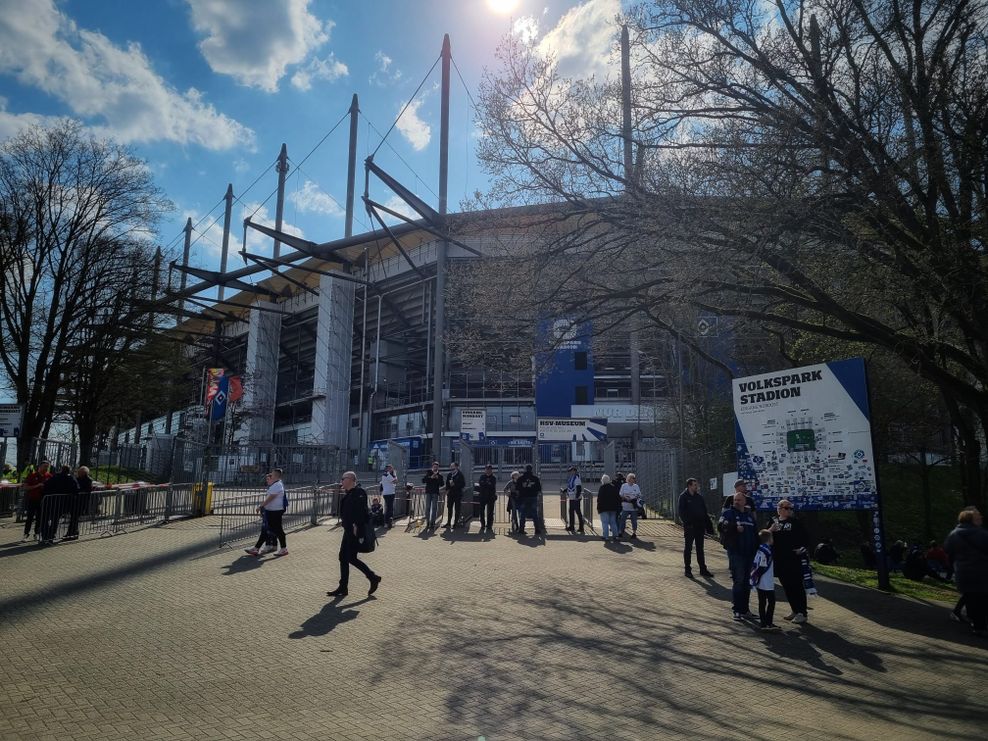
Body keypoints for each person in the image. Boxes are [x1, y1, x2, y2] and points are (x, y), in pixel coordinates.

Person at [328, 471, 381, 598]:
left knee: (348, 557)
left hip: (354, 531)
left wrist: (356, 526)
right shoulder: (349, 493)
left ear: (351, 480)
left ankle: (371, 577)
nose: (341, 481)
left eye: (343, 479)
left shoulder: (359, 492)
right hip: (348, 531)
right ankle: (345, 586)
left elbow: (361, 512)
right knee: (344, 557)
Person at [944, 507, 988, 636]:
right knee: (981, 600)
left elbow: (947, 549)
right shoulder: (980, 533)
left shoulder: (954, 533)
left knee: (972, 598)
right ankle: (979, 627)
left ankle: (976, 624)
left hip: (963, 573)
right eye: (978, 516)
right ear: (971, 519)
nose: (981, 517)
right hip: (981, 572)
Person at [767, 499, 810, 624]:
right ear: (779, 508)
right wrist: (770, 530)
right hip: (779, 560)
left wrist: (801, 549)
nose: (790, 510)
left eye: (791, 508)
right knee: (787, 586)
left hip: (794, 560)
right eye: (787, 508)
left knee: (797, 586)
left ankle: (802, 612)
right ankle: (795, 610)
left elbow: (806, 539)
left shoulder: (795, 522)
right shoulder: (773, 521)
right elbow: (764, 536)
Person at [719, 491, 758, 621]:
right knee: (739, 581)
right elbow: (721, 526)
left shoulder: (749, 516)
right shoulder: (728, 513)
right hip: (736, 553)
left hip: (750, 554)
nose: (736, 502)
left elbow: (754, 534)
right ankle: (737, 610)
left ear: (745, 502)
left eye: (739, 500)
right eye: (735, 500)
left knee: (747, 583)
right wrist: (734, 527)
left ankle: (745, 610)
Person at [245, 469, 288, 557]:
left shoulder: (277, 485)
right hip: (272, 511)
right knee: (271, 530)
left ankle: (258, 548)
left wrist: (261, 506)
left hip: (275, 511)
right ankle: (259, 548)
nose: (270, 476)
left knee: (274, 530)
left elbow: (271, 498)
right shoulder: (276, 484)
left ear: (276, 476)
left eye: (271, 475)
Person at [678, 477, 714, 577]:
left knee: (700, 548)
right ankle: (688, 570)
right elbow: (681, 512)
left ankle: (703, 569)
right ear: (689, 486)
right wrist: (688, 523)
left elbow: (704, 512)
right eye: (695, 485)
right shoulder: (683, 497)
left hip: (700, 527)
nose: (697, 486)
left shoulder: (699, 497)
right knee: (688, 548)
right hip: (690, 527)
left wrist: (708, 525)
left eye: (696, 485)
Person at [751, 529, 782, 632]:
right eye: (772, 537)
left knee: (762, 602)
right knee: (771, 601)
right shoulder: (767, 550)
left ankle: (763, 623)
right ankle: (768, 622)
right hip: (766, 582)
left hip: (760, 581)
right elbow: (762, 565)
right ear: (769, 539)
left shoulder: (760, 549)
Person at [40, 465, 79, 544]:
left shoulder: (55, 477)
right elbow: (76, 489)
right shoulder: (71, 478)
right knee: (55, 519)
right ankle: (51, 535)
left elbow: (46, 485)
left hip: (50, 501)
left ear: (61, 470)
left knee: (45, 519)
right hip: (63, 503)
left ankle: (45, 535)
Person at [21, 460, 51, 541]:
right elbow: (25, 487)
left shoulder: (49, 476)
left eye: (47, 467)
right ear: (40, 467)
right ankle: (26, 534)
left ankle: (37, 533)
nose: (46, 468)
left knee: (39, 518)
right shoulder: (32, 475)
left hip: (43, 500)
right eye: (45, 466)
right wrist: (37, 485)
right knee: (30, 517)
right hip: (33, 499)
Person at [63, 465, 93, 541]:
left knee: (74, 518)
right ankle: (73, 533)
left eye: (80, 472)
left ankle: (71, 533)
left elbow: (87, 490)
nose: (78, 473)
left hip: (81, 502)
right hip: (75, 501)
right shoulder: (77, 479)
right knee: (74, 518)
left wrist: (78, 492)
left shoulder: (88, 480)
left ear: (84, 473)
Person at [515, 464, 543, 536]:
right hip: (533, 497)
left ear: (525, 469)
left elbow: (517, 489)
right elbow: (539, 489)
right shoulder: (535, 478)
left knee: (523, 514)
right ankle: (537, 529)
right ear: (531, 469)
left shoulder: (521, 478)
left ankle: (521, 529)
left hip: (523, 497)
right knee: (534, 513)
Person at [596, 474, 621, 542]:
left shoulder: (602, 488)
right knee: (613, 522)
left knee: (605, 523)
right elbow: (617, 498)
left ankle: (606, 536)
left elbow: (599, 499)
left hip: (604, 509)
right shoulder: (613, 487)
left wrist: (598, 508)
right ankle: (615, 536)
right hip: (613, 508)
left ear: (602, 481)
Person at [444, 461, 466, 529]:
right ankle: (448, 522)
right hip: (450, 495)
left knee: (457, 509)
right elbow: (447, 484)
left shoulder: (460, 475)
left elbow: (463, 484)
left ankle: (455, 523)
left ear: (456, 467)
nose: (451, 469)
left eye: (453, 468)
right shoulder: (449, 475)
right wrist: (447, 490)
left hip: (457, 494)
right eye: (451, 468)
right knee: (449, 508)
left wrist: (455, 485)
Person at [618, 473, 641, 538]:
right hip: (625, 506)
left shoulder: (636, 486)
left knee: (634, 520)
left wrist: (635, 497)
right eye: (632, 478)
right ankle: (620, 532)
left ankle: (634, 533)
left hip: (633, 507)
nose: (634, 479)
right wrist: (625, 497)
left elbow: (639, 494)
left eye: (634, 478)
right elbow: (620, 494)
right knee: (622, 519)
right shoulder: (624, 485)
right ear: (629, 479)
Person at [563, 466, 585, 534]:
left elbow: (578, 488)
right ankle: (571, 526)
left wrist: (577, 497)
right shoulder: (572, 478)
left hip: (575, 498)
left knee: (578, 512)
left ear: (574, 471)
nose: (570, 472)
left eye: (571, 471)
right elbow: (570, 487)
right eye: (570, 471)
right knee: (571, 512)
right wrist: (565, 490)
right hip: (572, 497)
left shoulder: (577, 478)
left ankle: (581, 527)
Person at [422, 462, 443, 531]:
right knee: (427, 507)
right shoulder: (428, 473)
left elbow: (442, 484)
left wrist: (437, 478)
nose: (435, 468)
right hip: (428, 492)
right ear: (432, 467)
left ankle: (432, 523)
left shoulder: (440, 475)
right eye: (434, 467)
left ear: (438, 468)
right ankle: (428, 522)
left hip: (435, 493)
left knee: (434, 508)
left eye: (436, 467)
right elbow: (423, 480)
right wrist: (430, 477)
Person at [477, 464, 497, 532]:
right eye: (487, 469)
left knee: (490, 512)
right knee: (481, 511)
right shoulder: (482, 476)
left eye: (489, 469)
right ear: (485, 470)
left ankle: (489, 525)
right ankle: (482, 524)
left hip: (491, 497)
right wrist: (487, 483)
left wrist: (485, 483)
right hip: (482, 496)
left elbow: (492, 486)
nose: (488, 471)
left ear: (491, 470)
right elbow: (481, 484)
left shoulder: (493, 477)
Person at [380, 464, 397, 528]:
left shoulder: (387, 475)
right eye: (389, 468)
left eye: (391, 468)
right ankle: (387, 522)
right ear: (387, 469)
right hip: (389, 493)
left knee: (389, 508)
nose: (391, 469)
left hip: (390, 493)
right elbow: (395, 481)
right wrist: (395, 475)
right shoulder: (387, 474)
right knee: (389, 509)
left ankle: (389, 522)